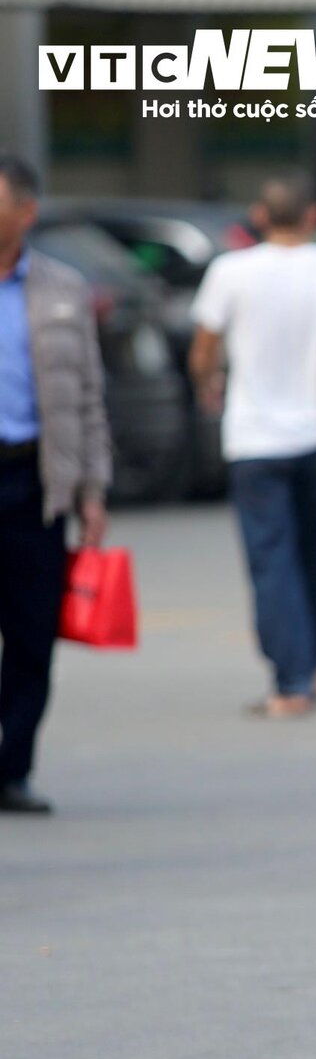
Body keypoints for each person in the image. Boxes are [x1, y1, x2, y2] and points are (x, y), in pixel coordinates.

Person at [189, 173, 316, 719]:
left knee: (271, 561)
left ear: (260, 216)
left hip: (254, 438)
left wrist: (208, 381)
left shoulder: (229, 272)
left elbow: (204, 348)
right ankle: (308, 664)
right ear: (315, 216)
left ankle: (292, 677)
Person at [0, 152, 111, 814]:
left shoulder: (63, 291)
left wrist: (93, 491)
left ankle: (11, 767)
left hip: (34, 484)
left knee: (32, 636)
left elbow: (91, 397)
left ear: (25, 212)